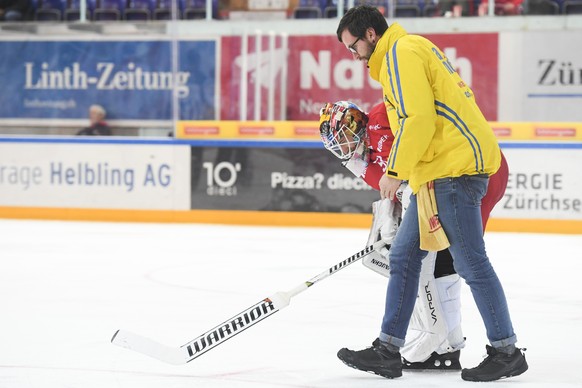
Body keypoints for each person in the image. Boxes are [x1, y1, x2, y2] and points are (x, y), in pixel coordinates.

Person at [334, 5, 527, 382]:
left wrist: (394, 172)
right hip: (438, 171)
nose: (353, 55)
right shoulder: (406, 51)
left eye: (353, 46)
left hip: (452, 170)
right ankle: (387, 349)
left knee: (470, 263)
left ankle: (506, 351)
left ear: (370, 35)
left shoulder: (400, 54)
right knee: (405, 258)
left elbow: (417, 119)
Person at [319, 100, 509, 371]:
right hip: (452, 177)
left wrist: (403, 203)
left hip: (473, 173)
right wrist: (389, 222)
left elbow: (417, 152)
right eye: (336, 143)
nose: (343, 147)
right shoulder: (361, 157)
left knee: (464, 260)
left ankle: (489, 347)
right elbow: (394, 192)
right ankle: (442, 346)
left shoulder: (380, 118)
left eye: (345, 137)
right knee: (427, 258)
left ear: (357, 124)